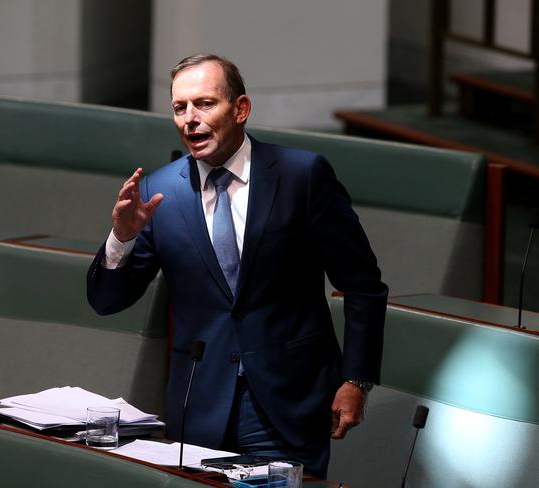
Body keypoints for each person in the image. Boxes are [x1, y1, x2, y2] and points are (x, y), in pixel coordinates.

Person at [87, 53, 388, 478]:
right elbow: (106, 301)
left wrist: (356, 381)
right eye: (179, 107)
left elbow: (364, 286)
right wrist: (122, 237)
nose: (190, 118)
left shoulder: (301, 176)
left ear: (241, 109)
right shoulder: (158, 193)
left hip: (287, 402)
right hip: (200, 407)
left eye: (205, 103)